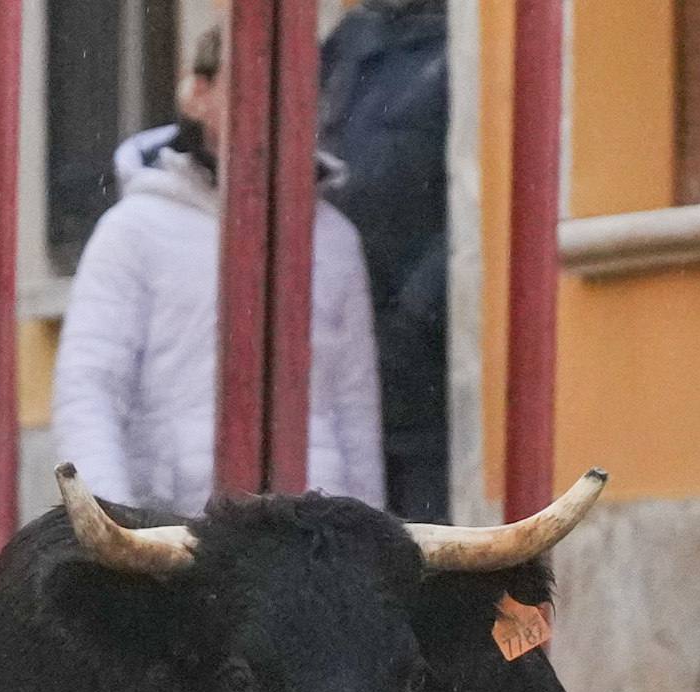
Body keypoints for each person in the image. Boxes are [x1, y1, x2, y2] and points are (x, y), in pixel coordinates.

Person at [51, 26, 383, 515]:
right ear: (198, 95)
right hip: (178, 532)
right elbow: (89, 391)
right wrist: (113, 527)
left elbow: (356, 410)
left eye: (298, 88)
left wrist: (366, 542)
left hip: (313, 536)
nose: (275, 107)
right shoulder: (133, 231)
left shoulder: (335, 239)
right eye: (249, 86)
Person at [318, 0, 448, 520]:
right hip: (337, 333)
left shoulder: (461, 47)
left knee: (425, 534)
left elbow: (480, 196)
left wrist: (417, 310)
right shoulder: (345, 46)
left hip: (421, 354)